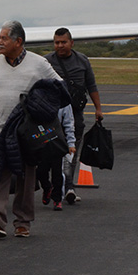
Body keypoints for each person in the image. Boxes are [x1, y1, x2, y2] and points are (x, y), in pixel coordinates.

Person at [0, 20, 61, 239]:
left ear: (18, 41)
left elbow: (59, 89)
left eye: (4, 38)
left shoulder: (38, 63)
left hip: (27, 132)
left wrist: (41, 107)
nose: (0, 42)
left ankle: (23, 222)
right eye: (0, 37)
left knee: (26, 175)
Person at [44, 27, 103, 205]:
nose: (60, 45)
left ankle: (69, 186)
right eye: (56, 42)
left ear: (72, 43)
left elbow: (91, 86)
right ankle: (53, 185)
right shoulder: (46, 61)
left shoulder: (82, 61)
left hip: (75, 114)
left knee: (71, 149)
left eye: (63, 42)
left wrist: (98, 108)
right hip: (52, 115)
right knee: (50, 151)